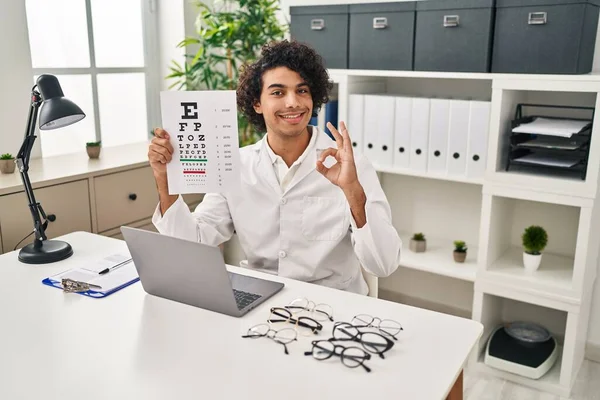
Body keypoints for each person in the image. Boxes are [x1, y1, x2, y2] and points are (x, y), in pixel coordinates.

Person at [149, 40, 402, 295]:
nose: (293, 103)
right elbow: (194, 242)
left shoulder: (351, 165)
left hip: (333, 308)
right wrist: (164, 178)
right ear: (257, 103)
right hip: (260, 303)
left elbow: (384, 264)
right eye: (278, 93)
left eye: (302, 91)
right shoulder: (236, 165)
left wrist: (353, 193)